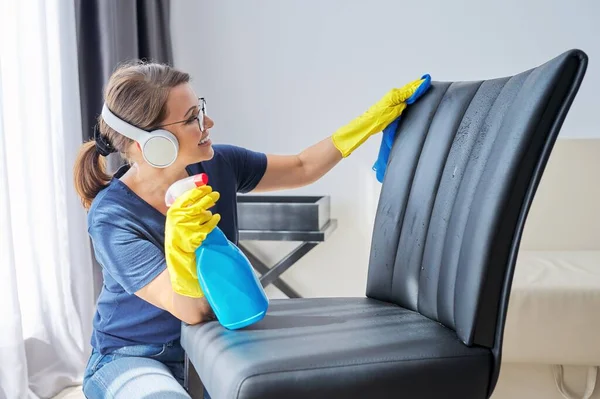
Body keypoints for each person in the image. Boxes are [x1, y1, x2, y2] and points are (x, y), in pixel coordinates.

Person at [73, 60, 427, 398]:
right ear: (151, 144)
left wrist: (370, 122)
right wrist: (179, 247)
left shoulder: (219, 164)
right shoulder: (112, 216)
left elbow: (303, 167)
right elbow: (192, 309)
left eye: (201, 108)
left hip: (215, 341)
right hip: (136, 354)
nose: (208, 121)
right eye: (192, 118)